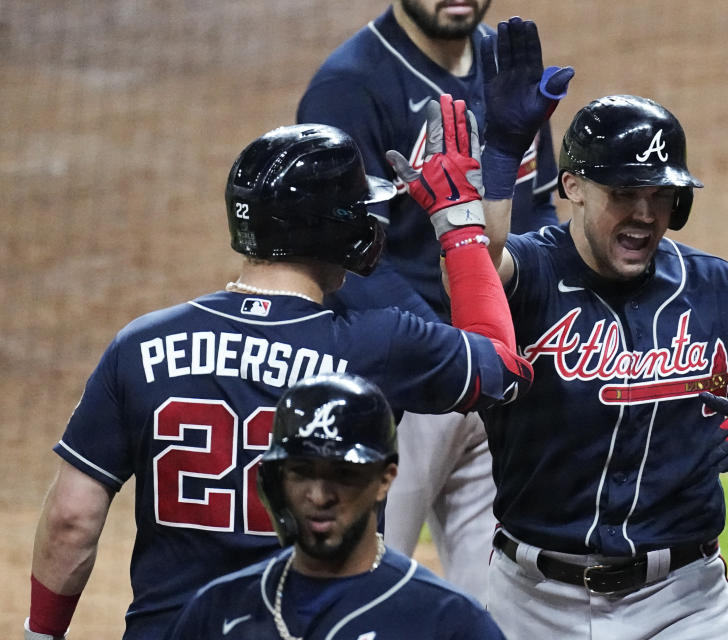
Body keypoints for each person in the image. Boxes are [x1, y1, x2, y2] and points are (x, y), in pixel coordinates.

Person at [24, 113, 531, 639]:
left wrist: (40, 635)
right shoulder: (379, 344)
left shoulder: (139, 345)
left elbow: (71, 519)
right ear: (337, 228)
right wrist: (460, 226)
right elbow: (503, 368)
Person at [467, 22, 728, 639]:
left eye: (662, 194)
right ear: (573, 188)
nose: (646, 214)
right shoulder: (531, 273)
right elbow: (473, 264)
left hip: (682, 602)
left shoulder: (715, 289)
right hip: (533, 605)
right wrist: (500, 156)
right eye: (624, 193)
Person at [296, 1, 572, 600]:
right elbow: (344, 253)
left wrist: (519, 327)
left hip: (503, 372)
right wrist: (448, 351)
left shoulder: (508, 60)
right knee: (361, 589)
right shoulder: (351, 86)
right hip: (406, 389)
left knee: (504, 598)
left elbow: (538, 206)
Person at [164, 372, 507, 639]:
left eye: (342, 474)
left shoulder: (449, 622)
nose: (319, 496)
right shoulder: (218, 608)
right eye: (301, 472)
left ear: (385, 479)